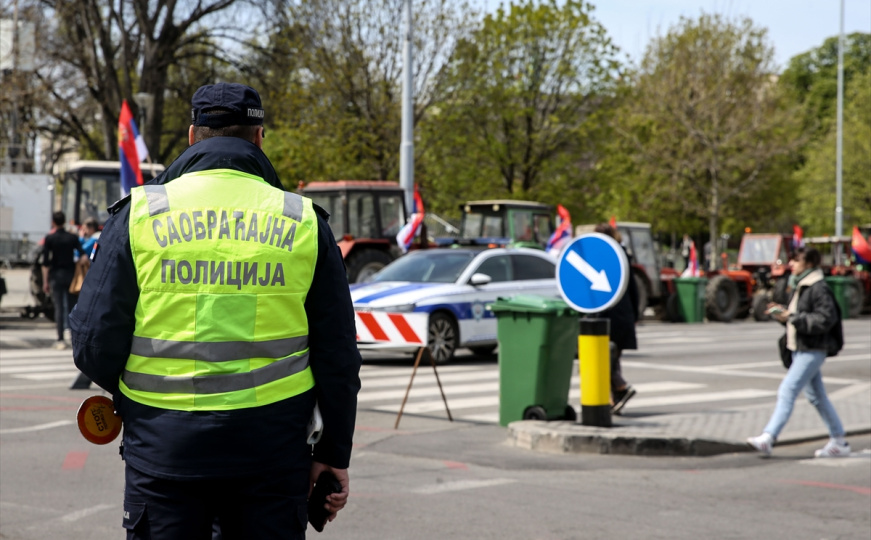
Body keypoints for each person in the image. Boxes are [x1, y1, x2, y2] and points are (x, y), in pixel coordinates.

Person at [70, 82, 362, 539]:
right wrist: (333, 452)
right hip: (272, 455)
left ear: (191, 136)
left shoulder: (142, 214)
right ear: (259, 137)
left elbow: (91, 344)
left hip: (165, 456)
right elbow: (339, 356)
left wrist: (141, 406)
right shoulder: (303, 221)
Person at [747, 247, 848, 458]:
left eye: (796, 261)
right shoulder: (802, 284)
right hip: (801, 347)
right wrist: (784, 315)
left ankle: (768, 437)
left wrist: (791, 317)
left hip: (812, 348)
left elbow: (823, 319)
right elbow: (800, 316)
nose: (791, 264)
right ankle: (839, 440)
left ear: (809, 264)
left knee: (788, 390)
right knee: (817, 397)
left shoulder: (817, 288)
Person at [594, 223, 639, 415]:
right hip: (623, 314)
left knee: (601, 358)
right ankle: (614, 401)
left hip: (606, 315)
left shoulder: (601, 256)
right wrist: (635, 314)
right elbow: (633, 288)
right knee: (612, 358)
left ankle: (620, 388)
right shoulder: (622, 256)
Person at [41, 211, 82, 349]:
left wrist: (45, 282)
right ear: (64, 222)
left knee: (59, 308)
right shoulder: (72, 238)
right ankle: (74, 338)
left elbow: (46, 263)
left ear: (53, 222)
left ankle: (60, 340)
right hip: (70, 275)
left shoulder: (50, 238)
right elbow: (82, 256)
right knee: (72, 308)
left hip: (56, 276)